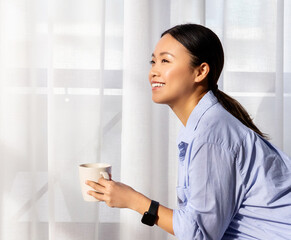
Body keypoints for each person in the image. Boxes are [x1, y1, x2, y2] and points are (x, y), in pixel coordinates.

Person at [86, 23, 291, 239]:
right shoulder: (204, 127)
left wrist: (134, 201)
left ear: (201, 71)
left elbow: (199, 234)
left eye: (165, 61)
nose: (154, 71)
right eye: (153, 61)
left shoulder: (211, 135)